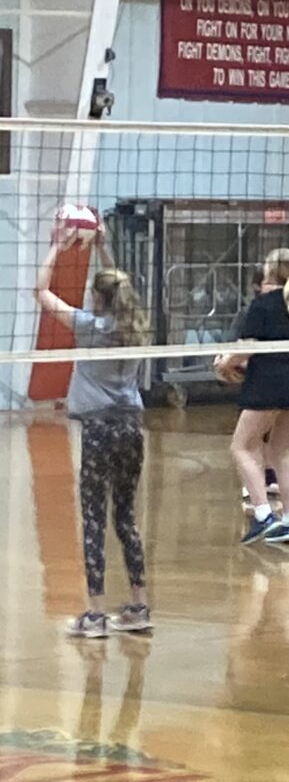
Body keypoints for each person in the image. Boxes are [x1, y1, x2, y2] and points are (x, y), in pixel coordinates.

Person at [37, 229, 151, 637]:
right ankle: (139, 606)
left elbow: (41, 292)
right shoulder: (135, 327)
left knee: (92, 519)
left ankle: (96, 615)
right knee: (125, 518)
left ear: (98, 299)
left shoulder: (90, 327)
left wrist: (57, 245)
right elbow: (121, 288)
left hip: (100, 431)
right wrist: (102, 246)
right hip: (132, 429)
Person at [220, 248, 289, 549]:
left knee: (241, 447)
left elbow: (249, 349)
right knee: (278, 451)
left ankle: (263, 515)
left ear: (270, 270)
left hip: (268, 385)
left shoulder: (262, 304)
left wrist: (225, 363)